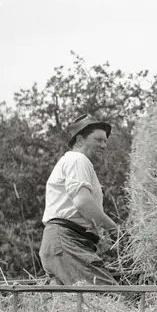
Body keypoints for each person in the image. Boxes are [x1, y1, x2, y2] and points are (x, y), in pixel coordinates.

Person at [39, 114, 120, 286]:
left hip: (65, 243)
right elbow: (83, 202)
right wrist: (114, 229)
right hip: (67, 241)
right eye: (98, 140)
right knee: (113, 295)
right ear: (80, 139)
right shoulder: (78, 159)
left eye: (105, 141)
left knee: (75, 304)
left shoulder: (74, 162)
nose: (103, 145)